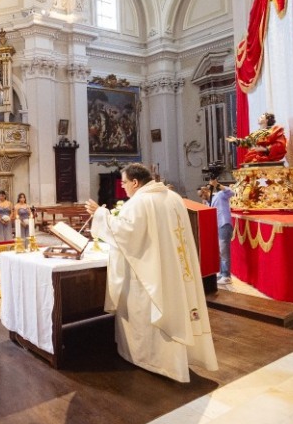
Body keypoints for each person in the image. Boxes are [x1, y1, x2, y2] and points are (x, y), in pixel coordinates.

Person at [84, 163, 218, 383]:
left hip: (150, 275)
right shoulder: (172, 197)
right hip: (175, 269)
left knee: (147, 312)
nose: (124, 187)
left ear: (135, 182)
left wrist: (101, 214)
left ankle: (155, 361)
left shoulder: (140, 202)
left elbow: (125, 234)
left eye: (125, 182)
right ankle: (179, 359)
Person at [210, 178, 234, 285]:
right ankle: (221, 271)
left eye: (202, 193)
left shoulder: (220, 195)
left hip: (224, 224)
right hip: (218, 226)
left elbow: (230, 192)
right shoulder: (209, 200)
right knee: (220, 250)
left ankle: (226, 275)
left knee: (224, 250)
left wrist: (217, 185)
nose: (201, 196)